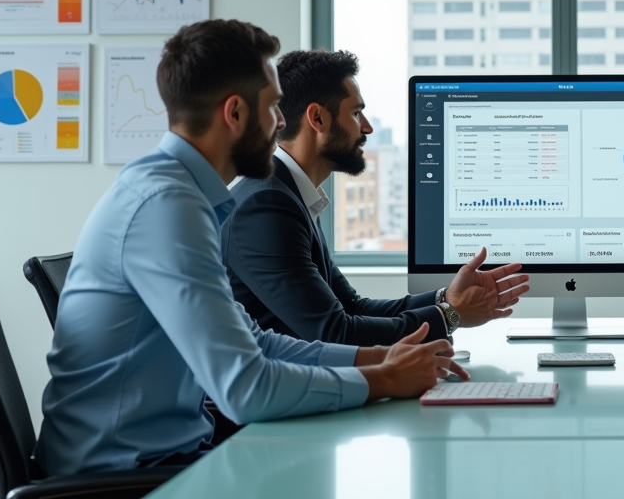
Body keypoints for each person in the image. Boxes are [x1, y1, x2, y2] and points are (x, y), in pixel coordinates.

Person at [34, 21, 466, 477]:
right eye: (275, 106)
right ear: (235, 113)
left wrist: (379, 358)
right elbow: (244, 389)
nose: (283, 122)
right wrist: (380, 379)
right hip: (124, 476)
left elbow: (255, 343)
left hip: (164, 457)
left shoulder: (182, 195)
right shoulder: (166, 207)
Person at [222, 49, 529, 347]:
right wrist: (450, 315)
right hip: (265, 396)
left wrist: (446, 298)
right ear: (317, 118)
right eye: (356, 113)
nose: (367, 127)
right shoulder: (266, 206)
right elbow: (334, 333)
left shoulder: (288, 194)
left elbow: (352, 307)